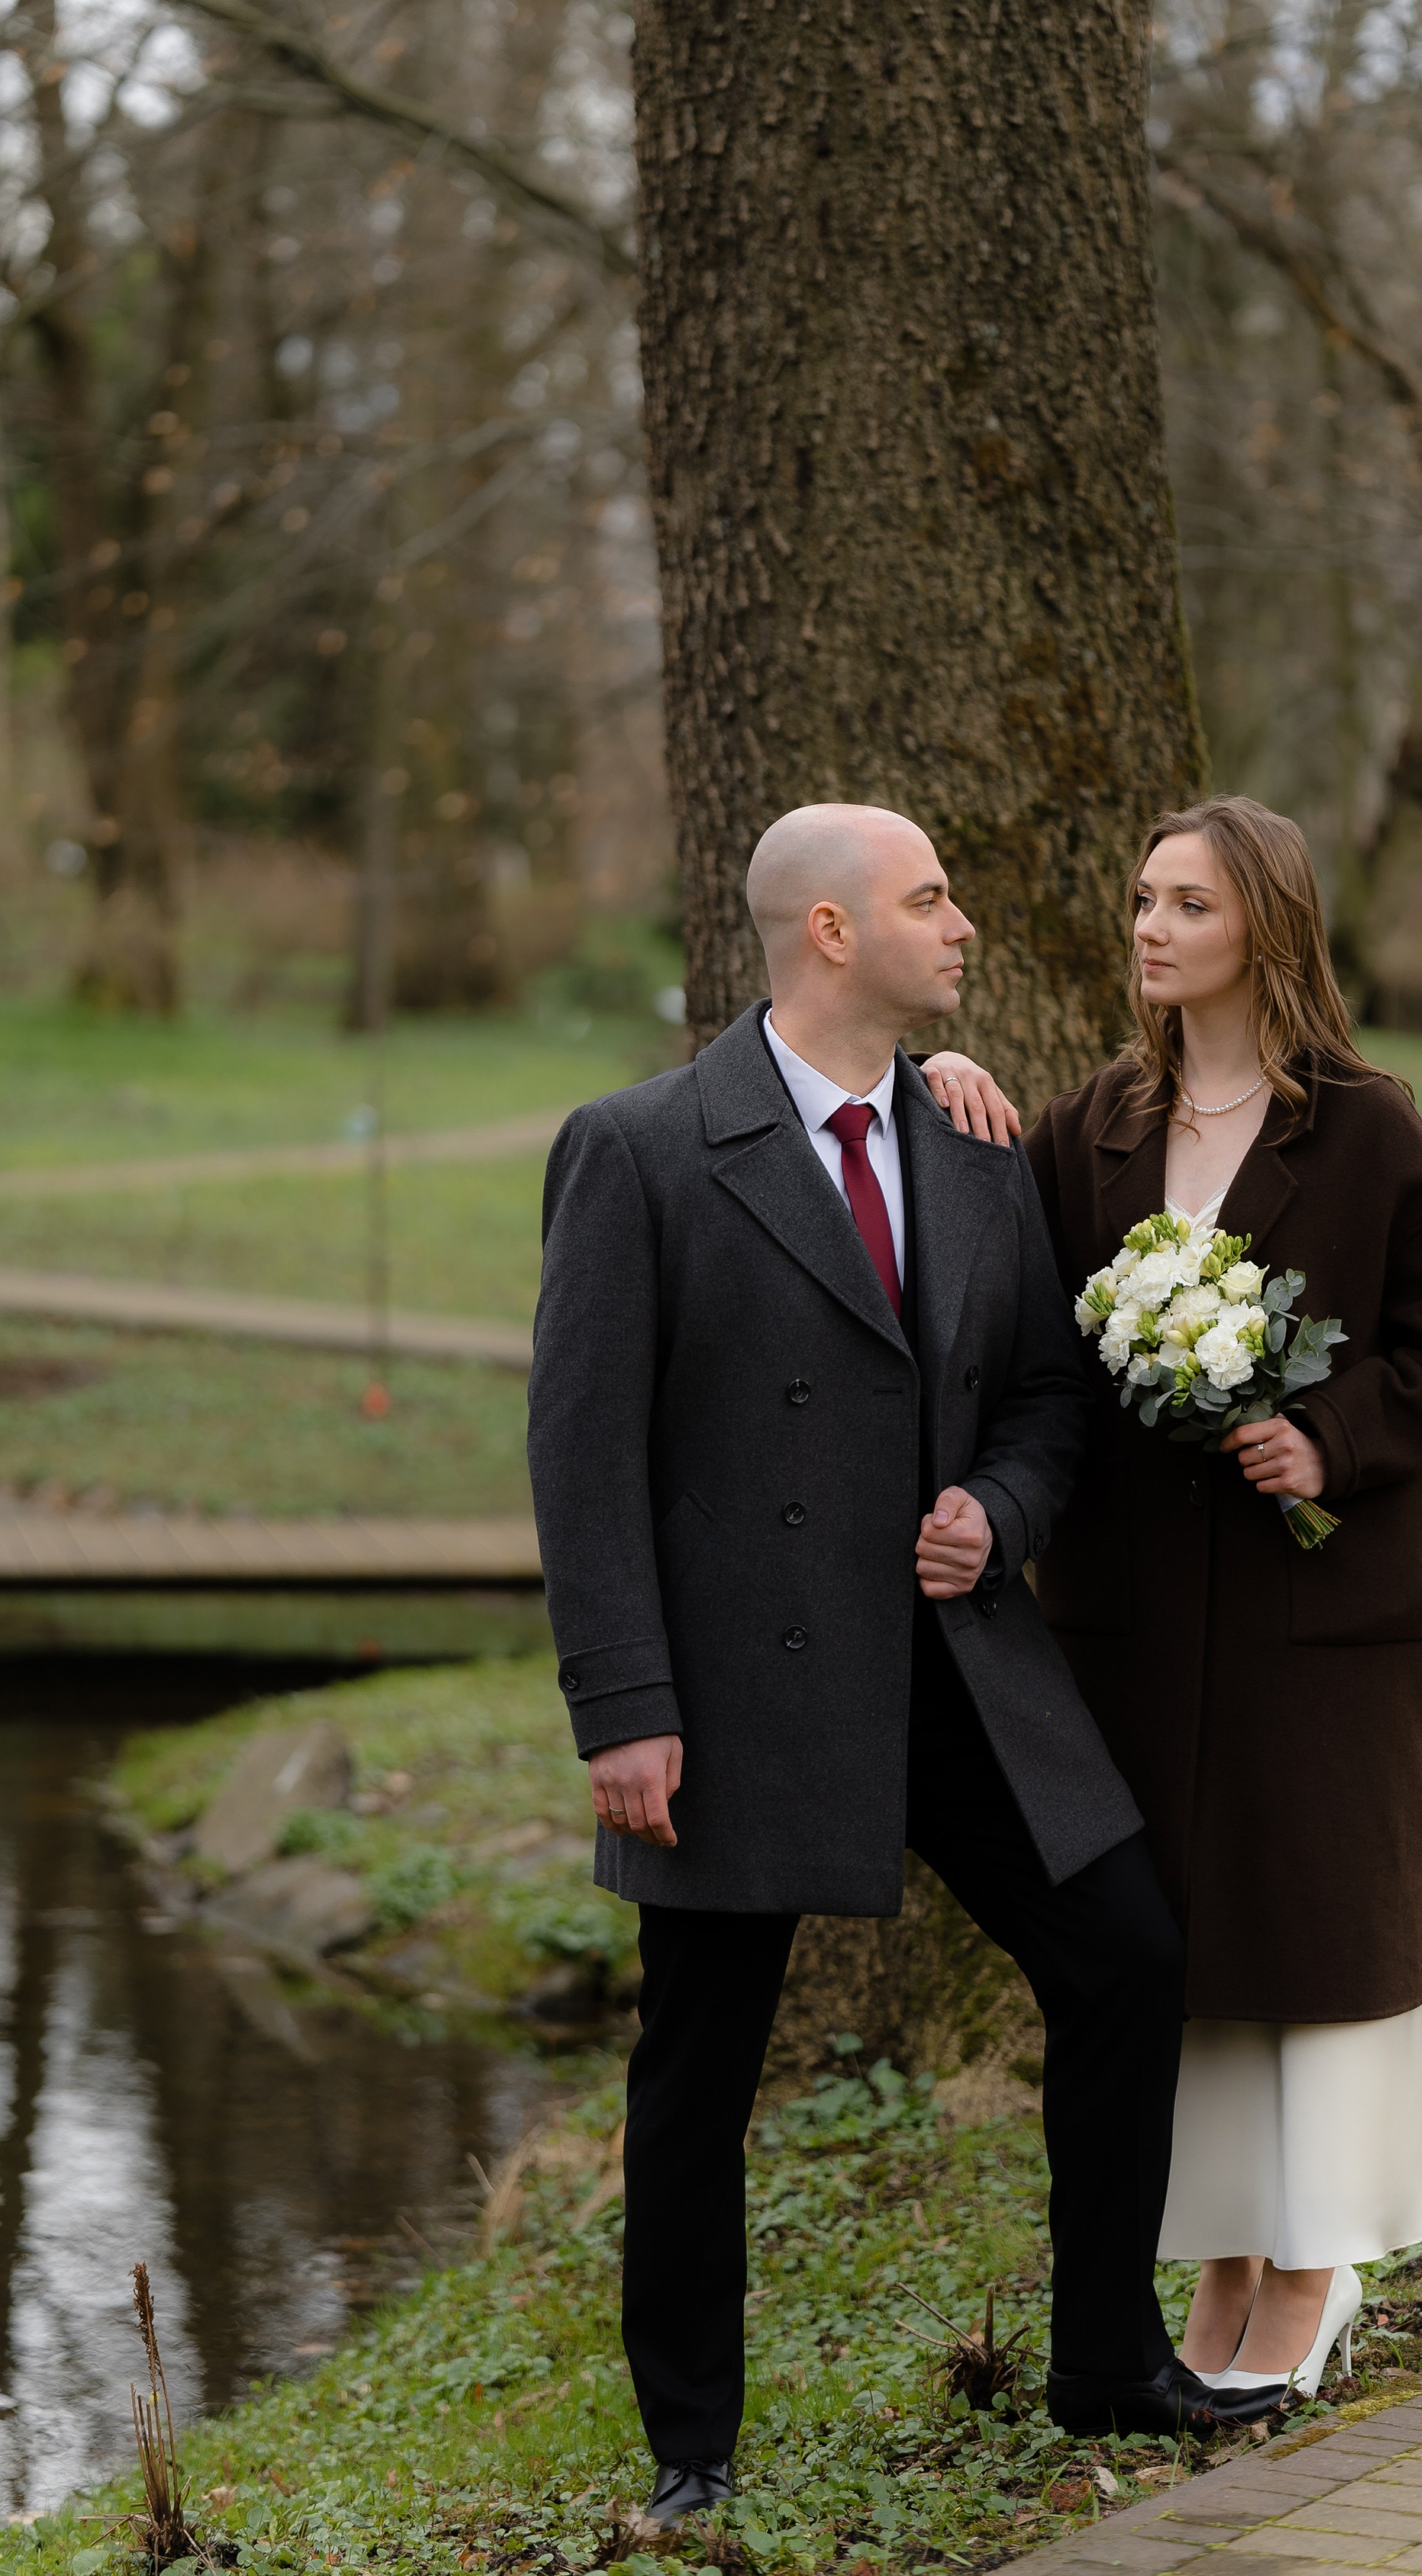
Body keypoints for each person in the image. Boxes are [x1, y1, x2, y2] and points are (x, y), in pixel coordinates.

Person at [526, 802, 1286, 2526]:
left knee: (1124, 1957)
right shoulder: (640, 1147)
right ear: (826, 932)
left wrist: (994, 1509)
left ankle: (1102, 2356)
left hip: (954, 1665)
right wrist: (622, 1707)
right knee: (698, 2068)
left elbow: (1041, 1394)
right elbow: (579, 1454)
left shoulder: (969, 1147)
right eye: (928, 898)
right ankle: (691, 2453)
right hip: (729, 1701)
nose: (962, 925)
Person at [925, 794, 1422, 2397]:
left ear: (1261, 920)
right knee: (1174, 1950)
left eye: (1183, 901)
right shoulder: (1087, 1127)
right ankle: (1219, 2270)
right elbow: (1003, 1297)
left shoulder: (1366, 1127)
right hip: (1129, 1627)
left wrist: (1327, 1441)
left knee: (1309, 1933)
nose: (1149, 926)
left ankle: (1309, 2268)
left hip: (1316, 1636)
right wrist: (941, 1095)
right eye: (1139, 899)